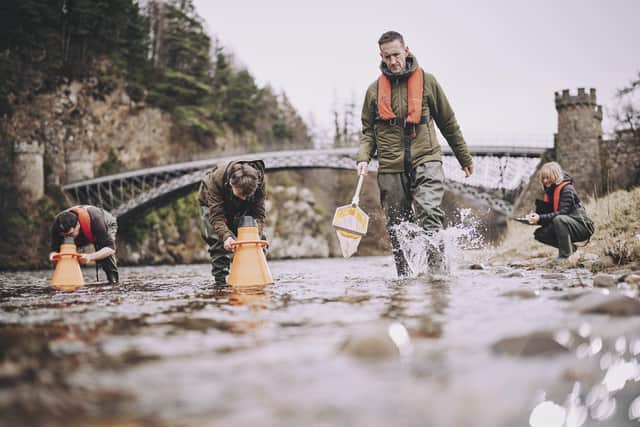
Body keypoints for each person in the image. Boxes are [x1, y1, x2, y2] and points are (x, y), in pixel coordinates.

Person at [356, 30, 474, 277]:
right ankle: (405, 279)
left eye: (396, 55)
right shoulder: (373, 91)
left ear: (406, 51)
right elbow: (368, 133)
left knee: (430, 213)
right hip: (391, 167)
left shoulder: (428, 82)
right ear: (381, 56)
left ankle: (438, 276)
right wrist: (363, 158)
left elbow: (448, 122)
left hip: (426, 158)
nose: (393, 61)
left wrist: (464, 157)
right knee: (398, 226)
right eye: (387, 57)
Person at [198, 160, 266, 285]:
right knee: (218, 241)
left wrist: (257, 234)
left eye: (247, 196)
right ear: (230, 183)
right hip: (211, 205)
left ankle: (254, 277)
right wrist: (226, 237)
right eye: (240, 195)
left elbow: (259, 215)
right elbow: (217, 217)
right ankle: (221, 283)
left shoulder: (259, 182)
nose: (243, 198)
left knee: (257, 237)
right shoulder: (215, 180)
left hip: (243, 207)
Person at [526, 161, 594, 260]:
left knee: (559, 219)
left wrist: (540, 218)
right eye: (543, 178)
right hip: (567, 225)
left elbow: (562, 213)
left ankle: (565, 256)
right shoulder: (551, 192)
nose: (545, 181)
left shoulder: (567, 189)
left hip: (582, 227)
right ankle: (572, 249)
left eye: (547, 177)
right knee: (540, 234)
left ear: (555, 176)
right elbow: (550, 216)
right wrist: (535, 218)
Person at [49, 205, 119, 283]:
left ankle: (113, 282)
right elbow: (54, 249)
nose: (68, 237)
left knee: (106, 258)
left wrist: (90, 256)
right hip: (83, 232)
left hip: (106, 223)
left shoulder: (96, 221)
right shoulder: (57, 225)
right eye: (64, 235)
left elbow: (111, 248)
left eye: (70, 234)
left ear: (78, 225)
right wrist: (53, 255)